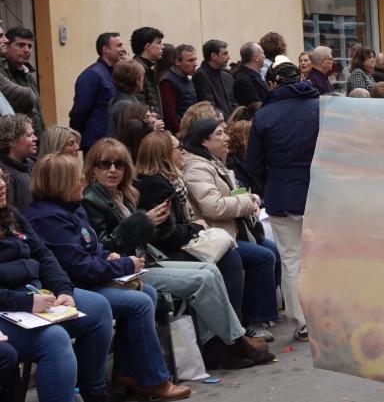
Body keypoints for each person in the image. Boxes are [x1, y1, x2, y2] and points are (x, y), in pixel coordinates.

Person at [81, 138, 271, 369]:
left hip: (144, 262)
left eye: (118, 164)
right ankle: (232, 341)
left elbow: (153, 233)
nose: (112, 170)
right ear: (93, 167)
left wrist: (153, 223)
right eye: (104, 164)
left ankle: (225, 341)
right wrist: (145, 221)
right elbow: (105, 246)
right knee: (206, 275)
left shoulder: (125, 194)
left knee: (212, 268)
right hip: (126, 271)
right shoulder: (93, 199)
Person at [24, 154, 191, 400]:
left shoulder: (72, 207)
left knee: (148, 292)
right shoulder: (47, 218)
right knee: (139, 301)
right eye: (76, 178)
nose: (82, 181)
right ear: (60, 183)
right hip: (71, 286)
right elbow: (77, 266)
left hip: (88, 278)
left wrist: (109, 255)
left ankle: (131, 372)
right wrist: (123, 264)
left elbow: (90, 246)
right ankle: (142, 380)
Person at [0, 169, 114, 402]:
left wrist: (63, 289)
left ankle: (93, 392)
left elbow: (43, 254)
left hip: (37, 292)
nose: (2, 184)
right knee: (54, 340)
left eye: (1, 177)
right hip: (8, 306)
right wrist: (25, 302)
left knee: (98, 308)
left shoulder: (11, 214)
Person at [134, 131, 250, 346]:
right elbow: (164, 235)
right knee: (224, 262)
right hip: (161, 254)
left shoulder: (168, 181)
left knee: (229, 258)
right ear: (164, 154)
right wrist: (194, 228)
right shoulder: (156, 185)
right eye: (179, 148)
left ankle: (229, 336)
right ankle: (229, 339)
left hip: (171, 246)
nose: (183, 152)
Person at [182, 119, 280, 341]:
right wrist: (246, 202)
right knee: (262, 256)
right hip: (216, 236)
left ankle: (256, 314)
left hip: (232, 231)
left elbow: (228, 194)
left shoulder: (213, 162)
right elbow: (213, 206)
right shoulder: (197, 168)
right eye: (219, 134)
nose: (226, 138)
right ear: (204, 141)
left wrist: (247, 197)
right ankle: (252, 321)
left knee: (271, 250)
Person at [247, 59, 319, 341]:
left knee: (291, 260)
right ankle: (326, 313)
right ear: (301, 77)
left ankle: (302, 321)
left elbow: (253, 163)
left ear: (273, 83)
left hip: (282, 195)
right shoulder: (320, 107)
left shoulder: (265, 116)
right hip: (320, 195)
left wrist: (269, 185)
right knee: (320, 259)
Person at [70, 32, 125, 152]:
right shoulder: (92, 75)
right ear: (105, 49)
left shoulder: (114, 73)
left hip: (112, 140)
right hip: (96, 142)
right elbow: (80, 110)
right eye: (119, 45)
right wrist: (77, 137)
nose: (123, 49)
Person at [0, 27, 43, 136]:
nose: (27, 50)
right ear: (7, 46)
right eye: (20, 45)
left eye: (29, 46)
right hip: (15, 142)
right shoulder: (3, 71)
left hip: (33, 140)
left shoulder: (28, 75)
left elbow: (37, 114)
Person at [159, 44, 199, 134]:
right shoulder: (168, 82)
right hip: (180, 134)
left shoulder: (188, 79)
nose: (195, 64)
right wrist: (181, 133)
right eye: (190, 60)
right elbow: (169, 116)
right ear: (177, 62)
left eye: (195, 59)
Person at [0, 114, 37, 211]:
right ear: (11, 141)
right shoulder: (5, 174)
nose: (35, 138)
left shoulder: (31, 163)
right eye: (29, 135)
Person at [193, 40, 237, 120]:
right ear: (214, 56)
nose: (229, 57)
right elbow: (208, 106)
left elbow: (231, 101)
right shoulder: (200, 76)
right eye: (225, 54)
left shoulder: (225, 75)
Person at [130, 27, 165, 113]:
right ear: (148, 47)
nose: (162, 47)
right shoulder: (136, 70)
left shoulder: (148, 69)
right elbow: (140, 105)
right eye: (159, 43)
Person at [107, 59, 146, 137]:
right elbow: (132, 135)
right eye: (142, 77)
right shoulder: (128, 106)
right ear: (138, 80)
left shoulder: (116, 100)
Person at [232, 42, 269, 110]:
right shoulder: (243, 80)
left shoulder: (256, 74)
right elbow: (254, 105)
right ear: (256, 58)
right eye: (262, 53)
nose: (264, 56)